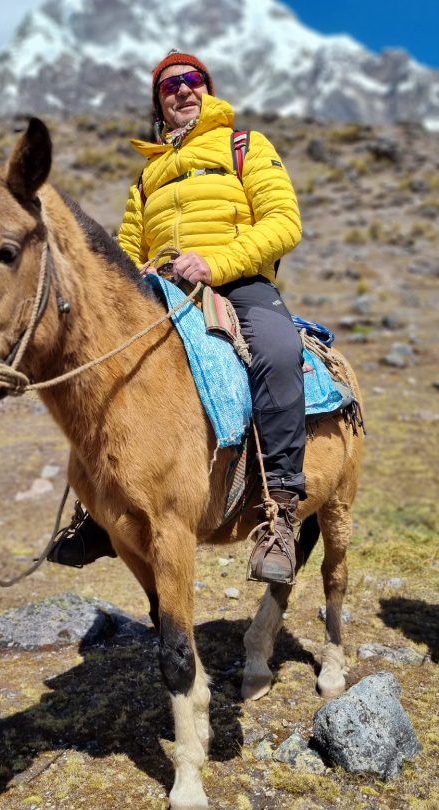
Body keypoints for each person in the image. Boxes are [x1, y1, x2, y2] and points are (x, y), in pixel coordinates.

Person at [49, 50, 305, 585]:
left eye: (192, 80)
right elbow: (122, 249)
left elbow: (284, 222)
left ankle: (280, 512)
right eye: (169, 86)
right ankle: (98, 508)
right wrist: (132, 271)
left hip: (238, 282)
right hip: (159, 290)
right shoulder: (147, 176)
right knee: (101, 364)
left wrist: (216, 263)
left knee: (278, 352)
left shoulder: (245, 146)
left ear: (207, 89)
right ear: (159, 105)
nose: (182, 90)